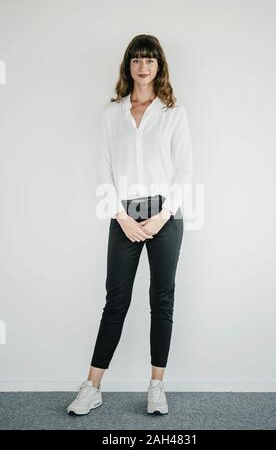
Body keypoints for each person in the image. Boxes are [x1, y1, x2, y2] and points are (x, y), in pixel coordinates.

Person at [67, 34, 193, 416]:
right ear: (128, 66)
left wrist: (160, 217)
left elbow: (185, 171)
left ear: (159, 66)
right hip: (123, 214)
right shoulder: (112, 114)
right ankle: (92, 386)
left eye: (150, 60)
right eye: (137, 59)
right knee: (115, 301)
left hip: (165, 216)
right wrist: (122, 217)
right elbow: (103, 169)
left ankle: (156, 386)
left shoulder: (174, 113)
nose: (143, 66)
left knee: (162, 300)